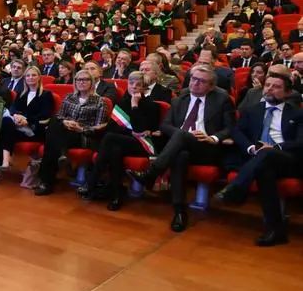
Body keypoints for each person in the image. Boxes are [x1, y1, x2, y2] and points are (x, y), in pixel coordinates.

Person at [128, 64, 235, 232]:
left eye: (201, 81)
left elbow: (230, 128)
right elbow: (165, 126)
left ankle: (152, 174)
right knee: (180, 155)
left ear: (211, 86)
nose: (195, 83)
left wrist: (213, 138)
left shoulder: (222, 99)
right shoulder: (180, 98)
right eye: (193, 79)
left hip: (207, 148)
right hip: (181, 147)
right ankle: (179, 211)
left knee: (181, 138)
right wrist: (181, 135)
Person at [215, 73, 303, 246]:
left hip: (289, 161)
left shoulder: (298, 114)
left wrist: (276, 148)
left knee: (268, 154)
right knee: (265, 172)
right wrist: (251, 147)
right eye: (267, 85)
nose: (269, 89)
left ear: (287, 92)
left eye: (276, 86)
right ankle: (276, 231)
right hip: (259, 159)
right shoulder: (252, 110)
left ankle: (237, 189)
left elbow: (301, 142)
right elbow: (236, 132)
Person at [80, 72, 162, 211]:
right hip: (123, 141)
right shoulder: (121, 103)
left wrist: (135, 105)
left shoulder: (153, 106)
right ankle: (116, 195)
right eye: (131, 83)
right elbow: (112, 127)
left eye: (138, 84)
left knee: (111, 139)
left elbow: (140, 128)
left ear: (144, 87)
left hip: (143, 145)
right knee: (115, 150)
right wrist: (131, 132)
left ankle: (93, 180)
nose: (134, 87)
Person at [34, 69, 107, 196]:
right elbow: (61, 116)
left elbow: (100, 127)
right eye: (78, 79)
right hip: (65, 132)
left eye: (85, 79)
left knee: (52, 143)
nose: (81, 82)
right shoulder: (69, 97)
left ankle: (46, 182)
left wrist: (81, 128)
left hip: (84, 136)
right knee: (56, 121)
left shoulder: (100, 101)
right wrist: (66, 122)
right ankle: (62, 154)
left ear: (92, 82)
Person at [0, 66, 54, 183]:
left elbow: (45, 115)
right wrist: (16, 115)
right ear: (25, 78)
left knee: (4, 129)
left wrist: (27, 120)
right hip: (19, 127)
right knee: (6, 123)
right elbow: (14, 108)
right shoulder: (22, 93)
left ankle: (0, 165)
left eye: (33, 75)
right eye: (28, 75)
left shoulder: (46, 94)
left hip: (35, 129)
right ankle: (4, 161)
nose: (30, 78)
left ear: (39, 77)